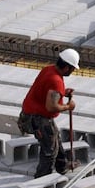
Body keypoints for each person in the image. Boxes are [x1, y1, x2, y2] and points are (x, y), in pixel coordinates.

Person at [17, 48, 80, 178]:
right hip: (38, 119)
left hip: (30, 113)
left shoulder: (48, 69)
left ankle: (62, 166)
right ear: (67, 67)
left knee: (55, 137)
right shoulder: (56, 80)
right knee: (49, 151)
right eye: (72, 69)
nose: (72, 71)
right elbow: (51, 107)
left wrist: (63, 92)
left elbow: (46, 91)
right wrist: (68, 106)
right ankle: (42, 180)